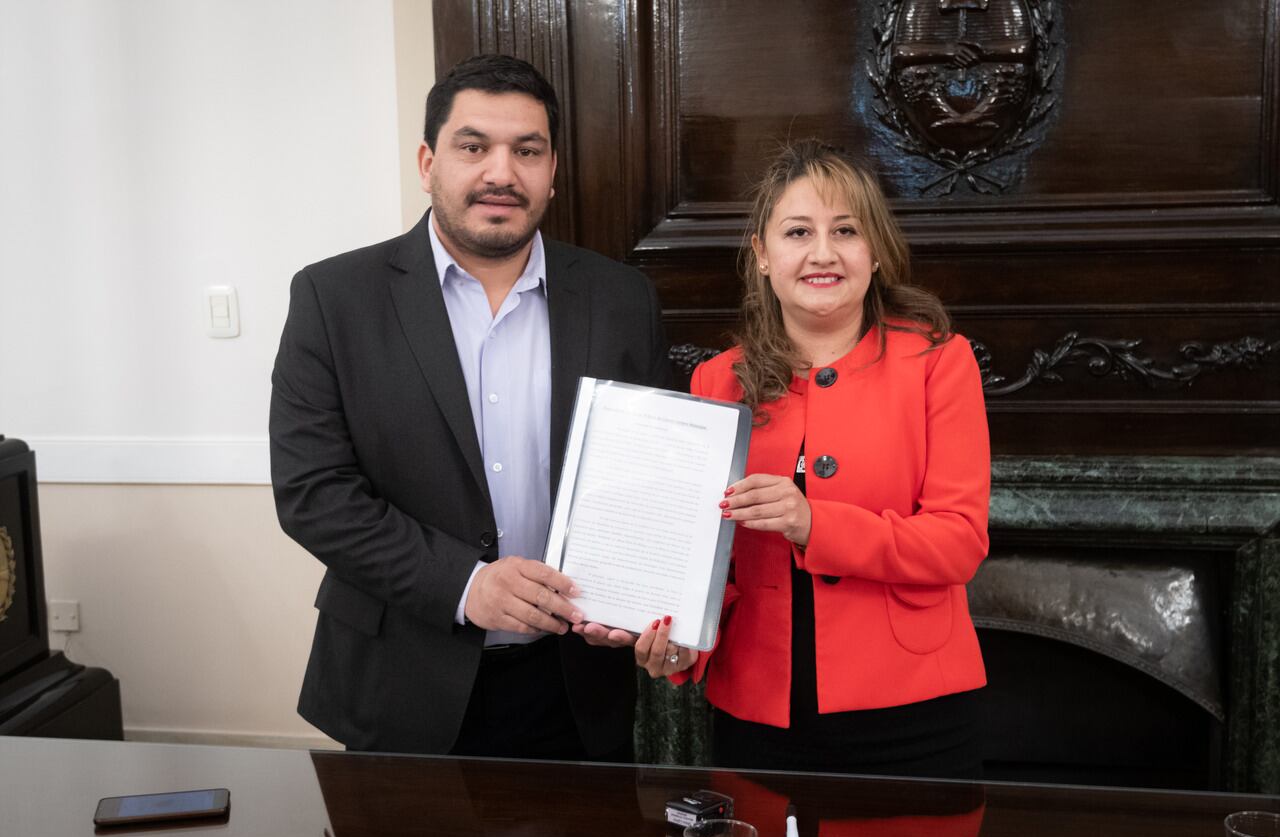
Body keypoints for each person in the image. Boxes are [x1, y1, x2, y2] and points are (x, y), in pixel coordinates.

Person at [270, 54, 669, 760]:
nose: (501, 173)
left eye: (527, 150)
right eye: (473, 146)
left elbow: (654, 481)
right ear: (428, 162)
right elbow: (314, 494)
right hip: (400, 680)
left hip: (577, 685)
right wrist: (464, 584)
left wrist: (651, 599)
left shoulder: (620, 299)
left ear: (553, 170)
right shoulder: (335, 299)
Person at [635, 140, 990, 778]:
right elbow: (697, 558)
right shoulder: (718, 380)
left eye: (846, 231)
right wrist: (678, 639)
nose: (823, 253)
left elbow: (959, 543)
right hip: (758, 708)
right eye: (798, 231)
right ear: (763, 256)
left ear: (875, 252)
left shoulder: (940, 361)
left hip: (915, 709)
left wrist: (813, 523)